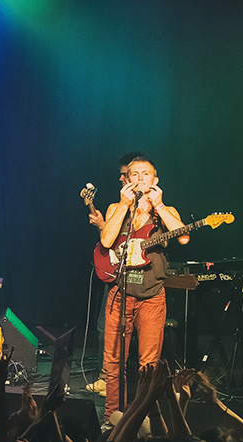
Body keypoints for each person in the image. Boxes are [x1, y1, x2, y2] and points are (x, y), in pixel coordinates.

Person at [99, 155, 187, 424]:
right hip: (120, 294)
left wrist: (158, 205)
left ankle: (143, 418)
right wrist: (125, 205)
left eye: (145, 174)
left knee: (148, 366)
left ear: (155, 180)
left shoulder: (166, 211)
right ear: (127, 179)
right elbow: (106, 239)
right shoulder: (117, 207)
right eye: (134, 174)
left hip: (152, 297)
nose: (139, 179)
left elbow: (183, 236)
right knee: (113, 363)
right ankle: (111, 416)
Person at [86, 152, 144, 398]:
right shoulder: (117, 206)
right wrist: (103, 225)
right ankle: (105, 378)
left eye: (126, 174)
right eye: (124, 174)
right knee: (104, 327)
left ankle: (139, 386)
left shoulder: (148, 207)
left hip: (140, 279)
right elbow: (111, 241)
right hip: (115, 275)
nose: (122, 178)